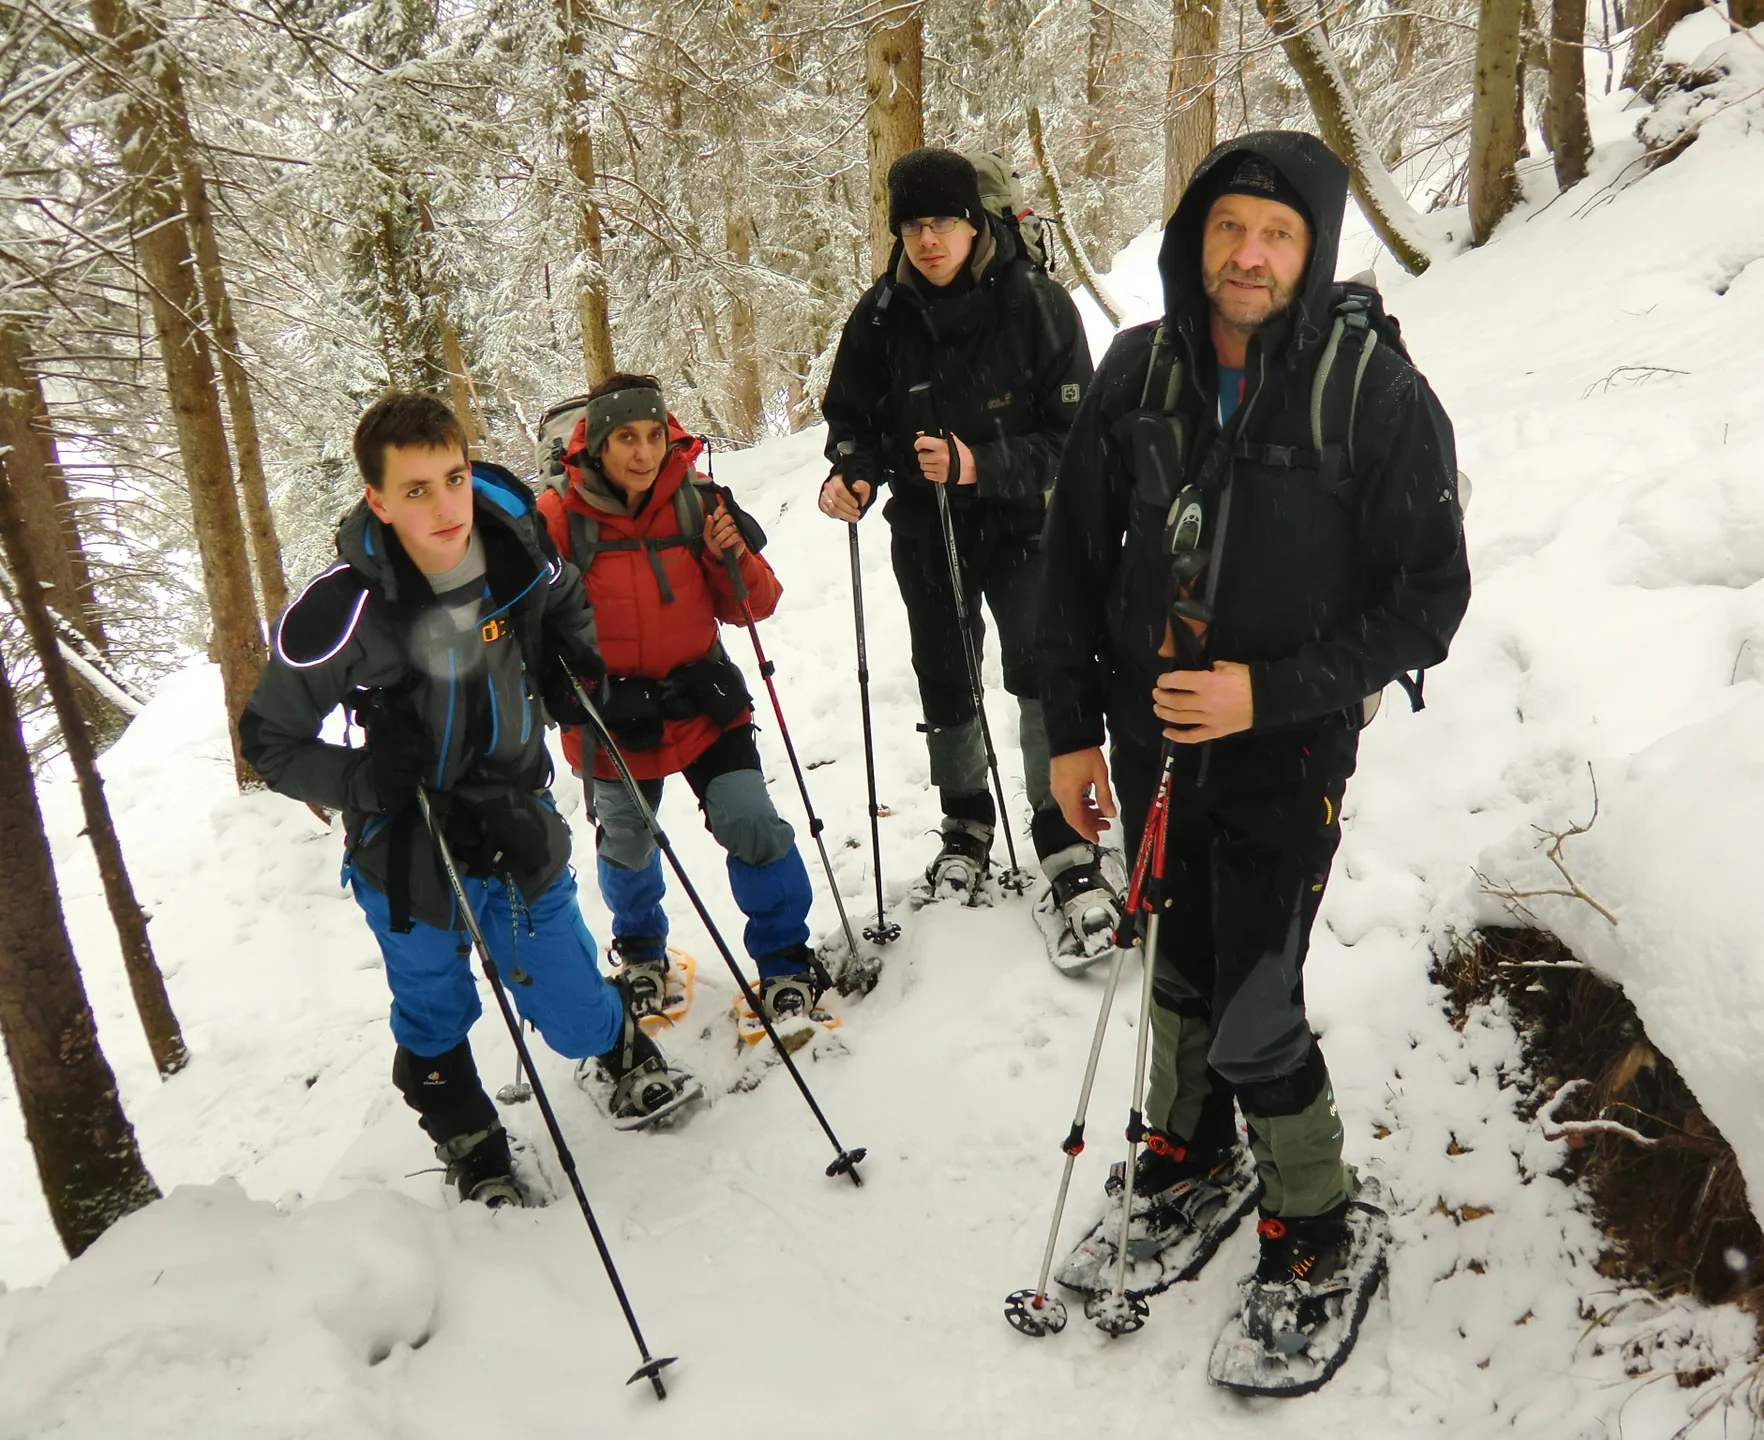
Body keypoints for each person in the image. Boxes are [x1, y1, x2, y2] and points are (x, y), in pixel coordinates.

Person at [1037, 133, 1470, 1379]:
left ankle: (1316, 1222)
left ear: (1312, 251)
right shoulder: (1138, 369)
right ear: (1194, 238)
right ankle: (1189, 1155)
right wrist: (1066, 732)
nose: (1249, 254)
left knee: (1253, 998)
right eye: (1228, 226)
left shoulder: (1373, 393)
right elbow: (1071, 565)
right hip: (1146, 737)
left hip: (1288, 752)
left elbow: (1428, 602)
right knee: (1176, 951)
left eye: (1278, 234)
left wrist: (1266, 693)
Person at [240, 392, 683, 1208]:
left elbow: (565, 599)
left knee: (573, 1006)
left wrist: (569, 662)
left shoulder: (515, 541)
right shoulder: (346, 610)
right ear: (378, 499)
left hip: (517, 819)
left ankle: (610, 1041)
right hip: (408, 843)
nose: (446, 506)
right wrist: (365, 780)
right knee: (434, 1007)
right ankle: (465, 1131)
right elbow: (269, 739)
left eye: (452, 478)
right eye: (415, 490)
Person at [818, 146, 1112, 953]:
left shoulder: (1037, 305)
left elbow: (1077, 440)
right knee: (944, 675)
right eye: (913, 225)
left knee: (1042, 672)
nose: (928, 240)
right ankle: (966, 824)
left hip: (1025, 527)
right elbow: (852, 420)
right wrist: (852, 475)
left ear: (975, 223)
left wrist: (982, 464)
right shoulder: (880, 316)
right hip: (925, 528)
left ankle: (1064, 839)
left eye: (943, 221)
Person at [538, 372, 830, 1047]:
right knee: (628, 839)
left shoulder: (698, 502)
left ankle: (785, 960)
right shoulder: (557, 519)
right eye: (625, 438)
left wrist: (732, 555)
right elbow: (532, 619)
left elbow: (755, 606)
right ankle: (642, 951)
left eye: (652, 436)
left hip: (701, 700)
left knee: (750, 819)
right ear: (596, 444)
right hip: (611, 715)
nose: (643, 453)